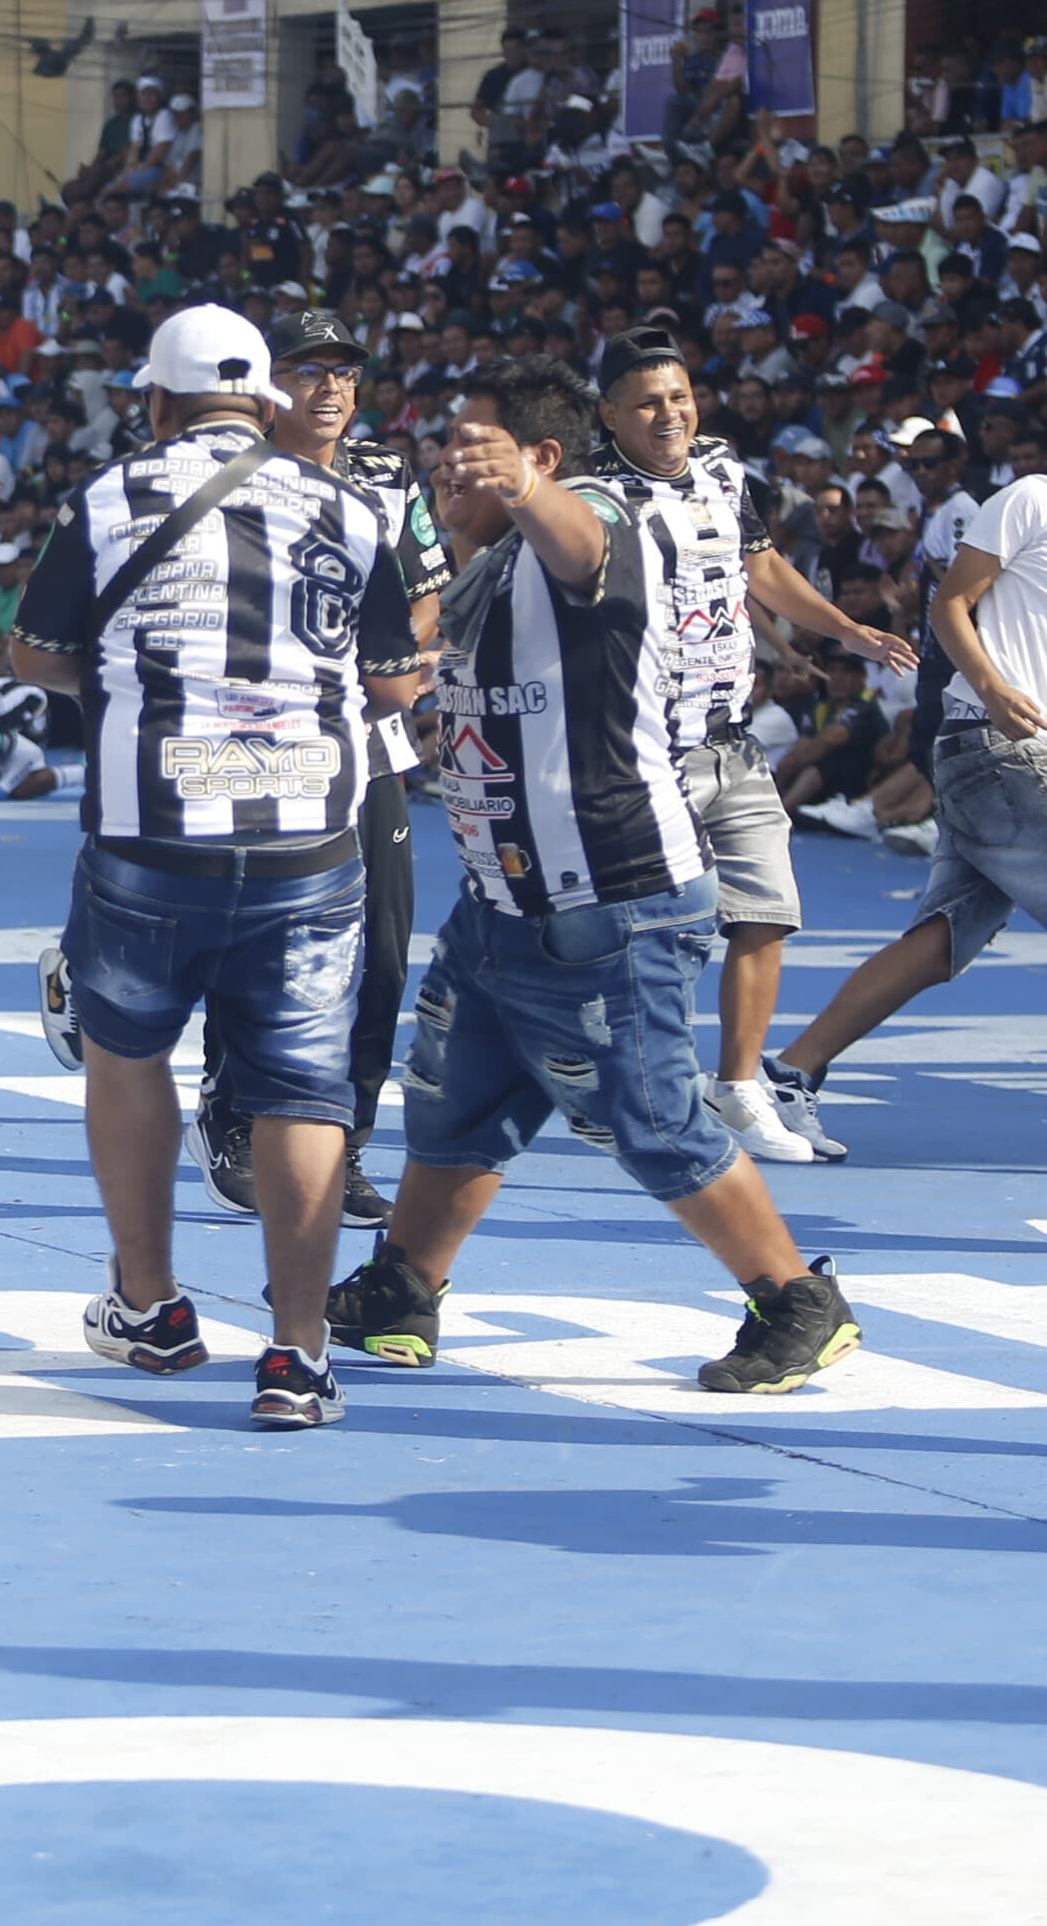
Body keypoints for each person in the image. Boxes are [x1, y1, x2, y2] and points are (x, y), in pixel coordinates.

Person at [325, 356, 864, 1392]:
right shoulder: (476, 565)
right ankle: (400, 1292)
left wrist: (526, 488)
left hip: (612, 896)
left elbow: (587, 546)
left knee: (652, 1114)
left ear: (540, 459)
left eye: (470, 454)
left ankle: (797, 1299)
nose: (448, 474)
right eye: (445, 457)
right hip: (499, 904)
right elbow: (392, 677)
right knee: (452, 1099)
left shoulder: (596, 524)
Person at [11, 304, 432, 1432]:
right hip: (308, 832)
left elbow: (33, 651)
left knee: (128, 1050)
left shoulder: (104, 499)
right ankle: (295, 1353)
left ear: (153, 401)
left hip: (152, 826)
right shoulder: (348, 503)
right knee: (302, 1082)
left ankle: (149, 1302)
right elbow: (395, 682)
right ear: (268, 400)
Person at [767, 376, 1047, 1160]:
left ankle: (786, 1076)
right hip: (992, 740)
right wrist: (994, 685)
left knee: (939, 941)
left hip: (1026, 760)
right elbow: (950, 604)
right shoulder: (1037, 500)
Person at [584, 330, 919, 1165]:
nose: (670, 413)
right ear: (610, 414)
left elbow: (760, 567)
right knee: (637, 930)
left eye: (680, 395)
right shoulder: (587, 495)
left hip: (730, 738)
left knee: (765, 912)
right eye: (649, 402)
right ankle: (599, 1067)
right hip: (639, 749)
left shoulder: (725, 467)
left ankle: (736, 1086)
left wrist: (847, 631)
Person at [195, 308, 443, 1225]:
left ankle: (347, 1144)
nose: (330, 388)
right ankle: (232, 1113)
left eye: (344, 371)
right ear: (269, 386)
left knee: (378, 957)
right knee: (258, 941)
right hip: (262, 744)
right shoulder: (229, 474)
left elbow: (427, 597)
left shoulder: (385, 473)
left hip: (371, 747)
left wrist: (369, 671)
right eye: (308, 371)